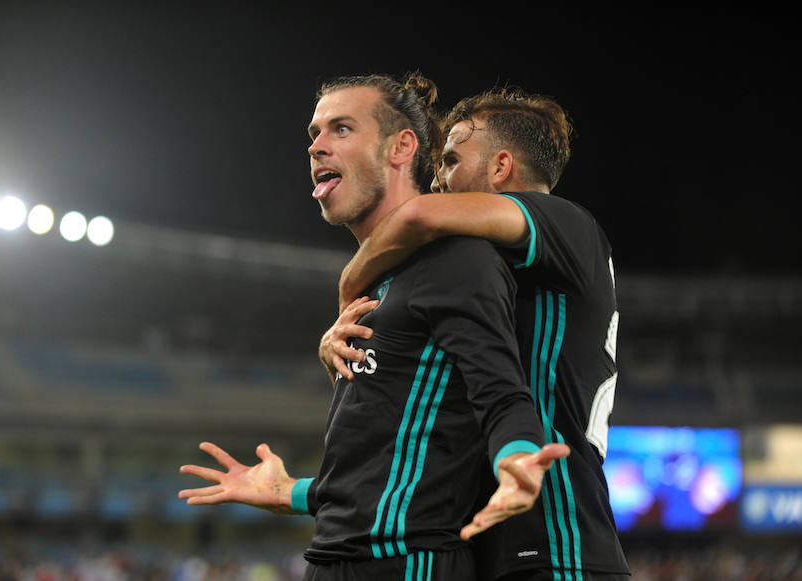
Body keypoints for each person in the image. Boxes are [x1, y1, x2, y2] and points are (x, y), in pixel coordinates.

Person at [179, 73, 569, 580]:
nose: (317, 146)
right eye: (314, 134)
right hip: (333, 560)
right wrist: (289, 492)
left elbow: (502, 393)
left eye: (340, 129)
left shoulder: (456, 258)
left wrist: (518, 459)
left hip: (409, 562)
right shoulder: (374, 284)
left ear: (401, 147)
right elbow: (384, 462)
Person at [320, 88, 631, 580]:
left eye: (450, 160)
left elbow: (419, 216)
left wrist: (347, 285)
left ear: (501, 167)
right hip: (497, 538)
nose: (438, 179)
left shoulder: (568, 224)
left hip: (559, 541)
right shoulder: (482, 265)